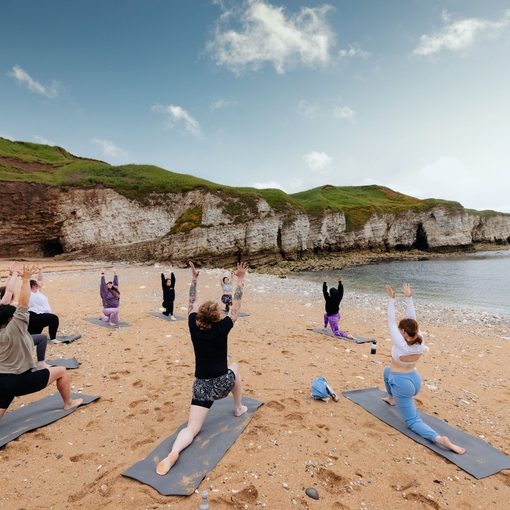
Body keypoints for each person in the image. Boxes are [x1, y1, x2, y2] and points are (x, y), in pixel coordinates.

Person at [156, 261, 249, 476]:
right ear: (216, 316)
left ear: (199, 317)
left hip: (202, 388)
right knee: (234, 367)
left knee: (191, 429)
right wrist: (241, 279)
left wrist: (194, 279)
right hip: (221, 383)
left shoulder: (193, 326)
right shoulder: (223, 327)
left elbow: (191, 302)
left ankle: (175, 451)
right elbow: (236, 306)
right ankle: (238, 408)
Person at [382, 283, 466, 454]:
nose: (398, 331)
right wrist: (408, 298)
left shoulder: (400, 343)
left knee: (413, 422)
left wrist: (392, 301)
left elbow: (390, 320)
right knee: (386, 371)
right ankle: (392, 398)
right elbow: (414, 321)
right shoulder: (420, 341)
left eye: (400, 330)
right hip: (414, 379)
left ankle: (440, 440)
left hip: (402, 384)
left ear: (403, 331)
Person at [0, 263, 82, 422]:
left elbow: (8, 295)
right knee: (61, 371)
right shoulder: (14, 329)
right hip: (21, 380)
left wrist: (13, 275)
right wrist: (26, 280)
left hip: (2, 381)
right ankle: (68, 403)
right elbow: (23, 304)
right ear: (11, 319)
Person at [1, 262, 51, 370]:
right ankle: (41, 363)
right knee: (41, 337)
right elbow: (10, 293)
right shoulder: (10, 318)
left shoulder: (3, 310)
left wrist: (11, 275)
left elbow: (7, 290)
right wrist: (23, 278)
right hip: (15, 343)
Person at [27, 263, 60, 344]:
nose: (40, 283)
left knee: (33, 335)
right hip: (33, 316)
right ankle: (53, 339)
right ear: (33, 285)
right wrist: (27, 273)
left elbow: (41, 280)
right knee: (53, 318)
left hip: (40, 315)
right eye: (36, 283)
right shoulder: (29, 293)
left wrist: (40, 270)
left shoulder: (37, 292)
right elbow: (26, 282)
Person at [322, 275, 355, 339]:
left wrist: (325, 282)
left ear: (330, 294)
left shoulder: (328, 299)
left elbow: (324, 291)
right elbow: (341, 291)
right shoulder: (338, 298)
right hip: (337, 315)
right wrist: (339, 282)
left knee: (336, 333)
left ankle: (348, 336)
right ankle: (325, 327)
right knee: (325, 315)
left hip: (332, 318)